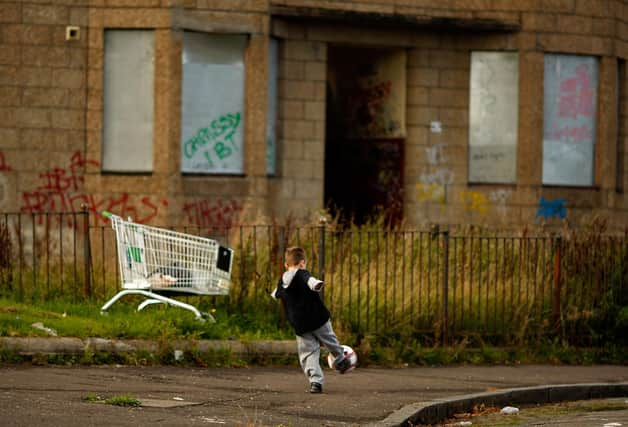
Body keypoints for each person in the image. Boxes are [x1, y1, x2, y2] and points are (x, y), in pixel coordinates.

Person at [271, 246, 351, 394]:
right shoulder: (303, 273)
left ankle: (315, 382)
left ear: (286, 265)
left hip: (300, 324)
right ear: (302, 263)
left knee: (309, 353)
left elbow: (276, 294)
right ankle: (341, 360)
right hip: (317, 318)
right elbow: (310, 281)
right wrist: (316, 284)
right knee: (329, 340)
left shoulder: (282, 280)